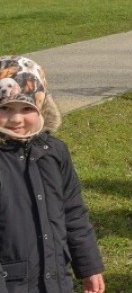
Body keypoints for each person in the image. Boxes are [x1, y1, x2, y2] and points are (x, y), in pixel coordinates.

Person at [0, 56, 106, 293]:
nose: (16, 118)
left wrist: (89, 266)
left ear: (41, 108)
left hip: (55, 279)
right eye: (5, 108)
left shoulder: (54, 152)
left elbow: (73, 212)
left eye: (27, 108)